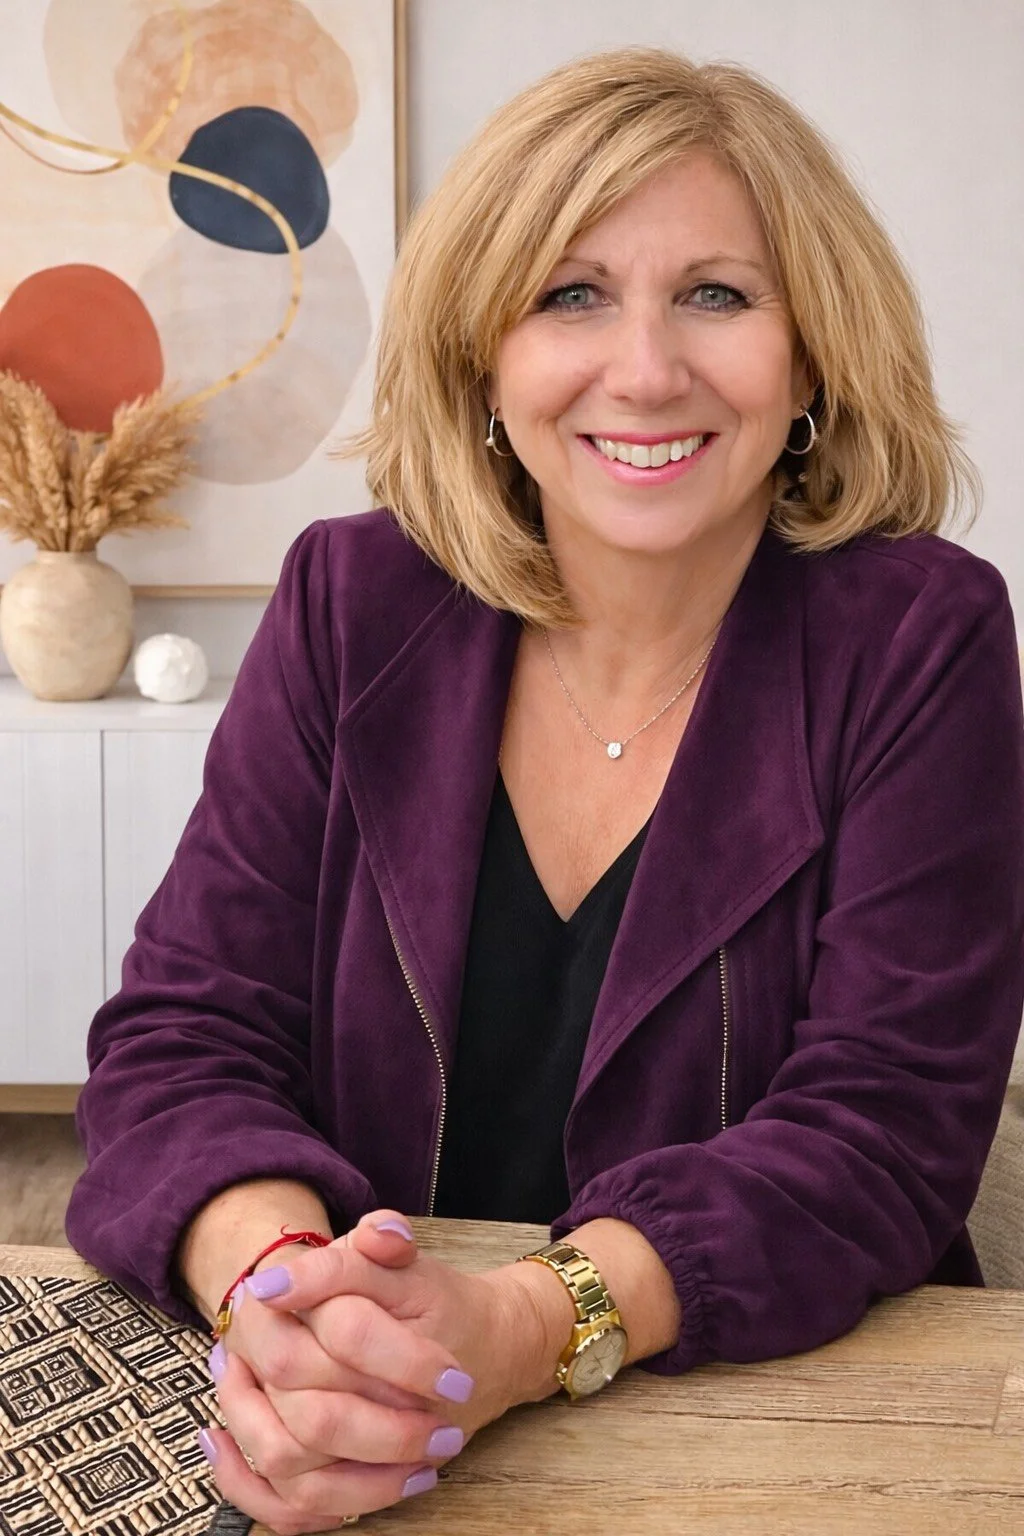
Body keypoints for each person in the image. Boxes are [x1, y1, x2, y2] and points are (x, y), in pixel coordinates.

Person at [67, 45, 1024, 1534]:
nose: (645, 368)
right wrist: (288, 1307)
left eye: (718, 292)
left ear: (814, 354)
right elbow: (186, 1038)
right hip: (357, 1413)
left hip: (753, 1410)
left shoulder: (920, 637)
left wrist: (523, 1326)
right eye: (570, 294)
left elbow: (882, 1129)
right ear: (485, 358)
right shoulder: (351, 600)